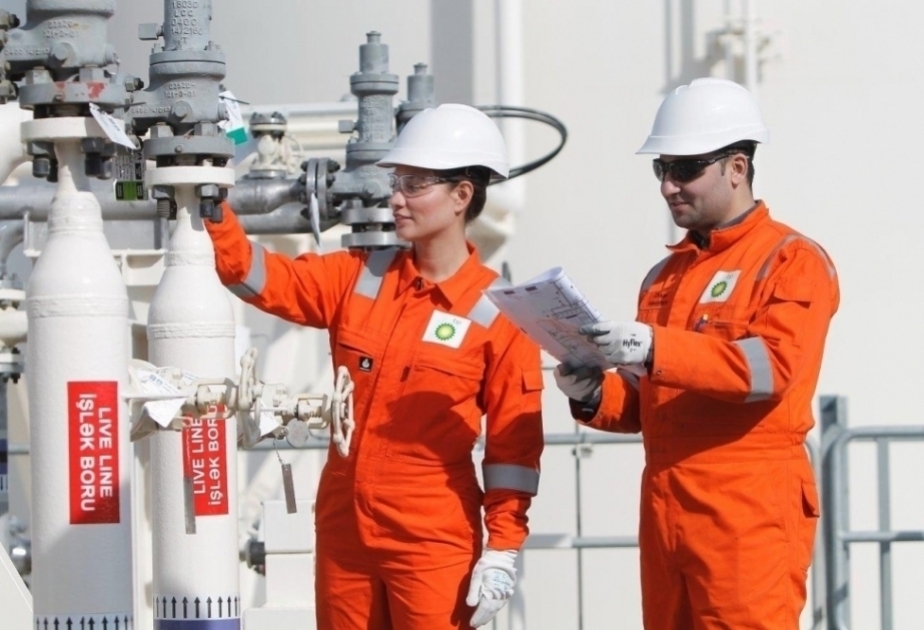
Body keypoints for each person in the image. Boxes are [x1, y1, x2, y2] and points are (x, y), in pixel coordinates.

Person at [206, 103, 544, 629]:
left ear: (462, 195)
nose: (396, 198)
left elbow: (512, 451)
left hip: (432, 540)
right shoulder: (360, 276)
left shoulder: (501, 314)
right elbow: (256, 276)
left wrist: (503, 547)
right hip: (345, 532)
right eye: (396, 182)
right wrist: (213, 205)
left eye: (414, 184)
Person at [554, 78, 839, 629]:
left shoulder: (791, 260)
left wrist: (655, 346)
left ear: (737, 167)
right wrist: (592, 393)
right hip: (666, 505)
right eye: (661, 168)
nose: (668, 186)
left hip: (748, 508)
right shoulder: (664, 276)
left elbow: (772, 369)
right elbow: (648, 401)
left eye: (684, 169)